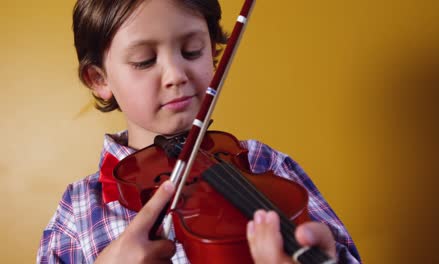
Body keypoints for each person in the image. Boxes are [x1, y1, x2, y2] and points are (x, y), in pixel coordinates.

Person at [37, 0, 361, 263]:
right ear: (99, 79)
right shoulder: (77, 209)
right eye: (144, 60)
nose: (176, 75)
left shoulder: (265, 164)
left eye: (192, 51)